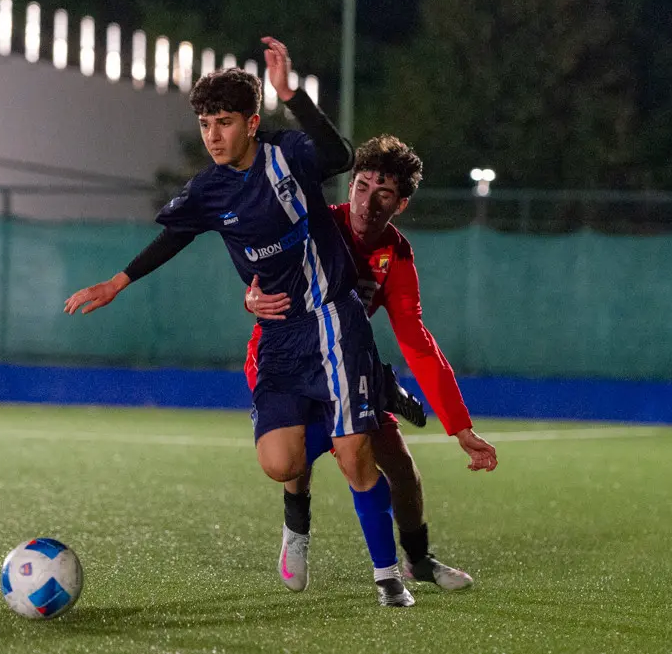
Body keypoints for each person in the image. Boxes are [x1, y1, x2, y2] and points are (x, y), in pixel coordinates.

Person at [64, 37, 415, 607]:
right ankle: (302, 512)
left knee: (355, 452)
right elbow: (174, 237)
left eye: (224, 122)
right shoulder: (208, 189)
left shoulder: (288, 154)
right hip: (279, 336)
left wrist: (291, 95)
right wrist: (117, 282)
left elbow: (339, 155)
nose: (213, 135)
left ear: (252, 123)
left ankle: (387, 576)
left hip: (332, 319)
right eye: (205, 124)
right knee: (281, 463)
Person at [244, 135, 498, 592]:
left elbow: (416, 340)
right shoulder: (318, 223)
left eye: (383, 194)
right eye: (362, 186)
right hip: (283, 360)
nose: (367, 202)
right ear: (350, 186)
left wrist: (460, 426)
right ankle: (296, 530)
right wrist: (252, 295)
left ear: (400, 204)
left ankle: (417, 560)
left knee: (400, 467)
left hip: (344, 362)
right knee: (298, 448)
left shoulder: (395, 255)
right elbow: (263, 265)